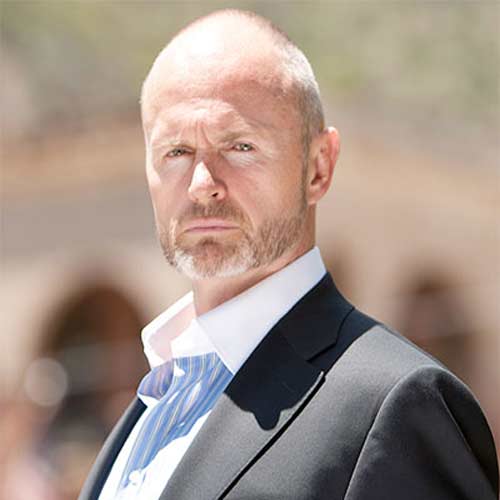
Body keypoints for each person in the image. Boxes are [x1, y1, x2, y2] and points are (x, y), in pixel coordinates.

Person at [79, 9, 498, 500]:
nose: (201, 184)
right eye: (176, 152)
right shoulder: (151, 407)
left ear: (319, 167)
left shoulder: (395, 405)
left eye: (240, 147)